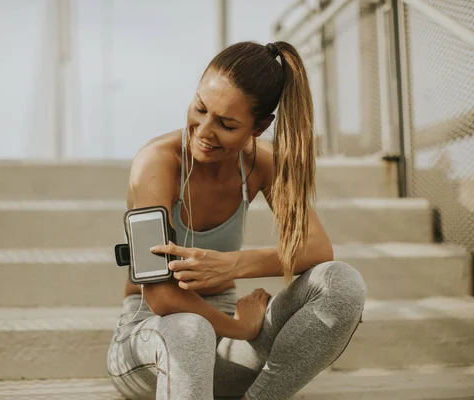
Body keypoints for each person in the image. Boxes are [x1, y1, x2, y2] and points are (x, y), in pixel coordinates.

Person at [106, 41, 366, 400]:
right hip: (154, 343)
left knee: (342, 284)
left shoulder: (264, 163)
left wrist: (231, 265)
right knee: (191, 330)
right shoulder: (156, 163)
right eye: (200, 108)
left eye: (226, 124)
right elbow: (161, 295)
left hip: (226, 352)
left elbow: (317, 248)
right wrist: (240, 328)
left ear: (259, 126)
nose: (203, 130)